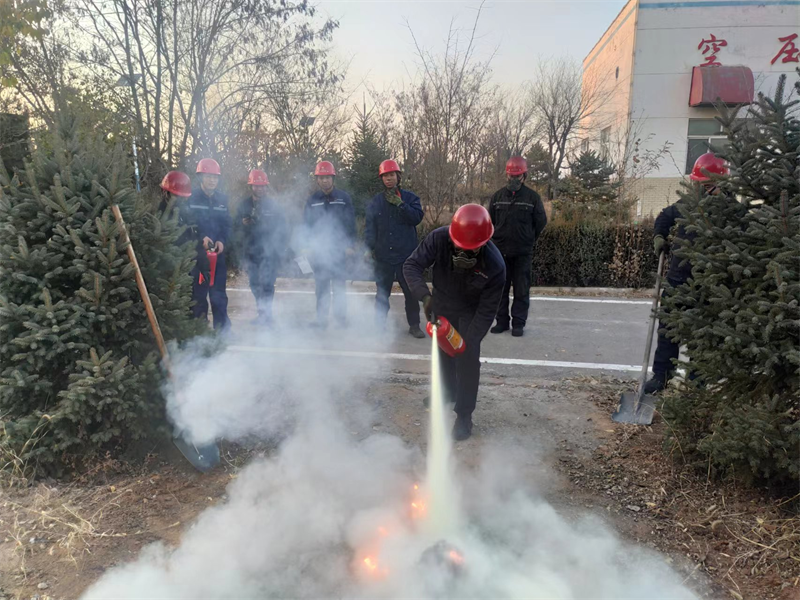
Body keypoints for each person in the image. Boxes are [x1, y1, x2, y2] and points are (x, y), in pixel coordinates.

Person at [404, 204, 506, 441]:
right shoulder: (439, 239)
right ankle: (447, 391)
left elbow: (487, 310)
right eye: (460, 248)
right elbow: (412, 265)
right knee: (442, 352)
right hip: (441, 302)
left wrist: (468, 342)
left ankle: (464, 415)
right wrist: (424, 297)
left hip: (472, 310)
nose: (464, 254)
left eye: (471, 251)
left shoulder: (495, 265)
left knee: (467, 359)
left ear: (483, 244)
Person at [645, 152, 731, 393]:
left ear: (718, 184)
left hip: (709, 285)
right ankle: (661, 376)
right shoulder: (687, 205)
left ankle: (696, 383)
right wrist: (659, 236)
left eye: (703, 185)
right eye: (697, 183)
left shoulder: (731, 211)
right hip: (677, 279)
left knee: (701, 336)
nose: (698, 188)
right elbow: (664, 216)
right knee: (667, 331)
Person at [488, 155, 547, 338]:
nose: (514, 180)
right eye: (511, 176)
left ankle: (518, 324)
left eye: (518, 176)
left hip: (522, 253)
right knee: (500, 290)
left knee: (521, 290)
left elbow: (541, 222)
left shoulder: (532, 198)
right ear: (506, 175)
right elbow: (490, 222)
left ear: (524, 176)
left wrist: (529, 238)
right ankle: (502, 322)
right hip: (500, 253)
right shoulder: (497, 197)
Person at [365, 159, 425, 338]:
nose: (388, 179)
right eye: (385, 176)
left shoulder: (410, 198)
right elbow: (370, 227)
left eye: (391, 175)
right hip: (384, 256)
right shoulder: (376, 202)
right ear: (382, 179)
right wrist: (368, 248)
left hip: (406, 256)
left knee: (411, 294)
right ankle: (379, 325)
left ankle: (414, 325)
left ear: (398, 176)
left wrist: (400, 204)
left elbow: (416, 218)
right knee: (382, 294)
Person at [303, 161, 356, 329]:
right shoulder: (312, 200)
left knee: (339, 286)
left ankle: (341, 319)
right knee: (321, 286)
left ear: (333, 178)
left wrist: (350, 245)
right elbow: (306, 225)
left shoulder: (343, 198)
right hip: (320, 251)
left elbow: (351, 224)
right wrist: (307, 245)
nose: (325, 181)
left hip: (340, 249)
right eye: (321, 178)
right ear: (317, 180)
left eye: (327, 177)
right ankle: (321, 320)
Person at [235, 169, 289, 325]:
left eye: (263, 186)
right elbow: (234, 227)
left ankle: (267, 316)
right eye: (257, 186)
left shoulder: (274, 205)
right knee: (254, 283)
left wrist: (279, 247)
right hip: (251, 251)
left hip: (270, 251)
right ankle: (262, 313)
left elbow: (283, 227)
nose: (260, 189)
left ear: (266, 187)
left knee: (267, 284)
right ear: (251, 186)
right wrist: (243, 224)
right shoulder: (244, 204)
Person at [187, 158, 231, 331]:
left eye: (215, 177)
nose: (212, 180)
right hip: (197, 257)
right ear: (200, 177)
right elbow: (187, 225)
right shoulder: (191, 199)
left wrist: (222, 240)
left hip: (217, 256)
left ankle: (223, 331)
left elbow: (227, 224)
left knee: (219, 294)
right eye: (208, 176)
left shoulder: (222, 200)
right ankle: (201, 331)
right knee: (198, 295)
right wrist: (200, 239)